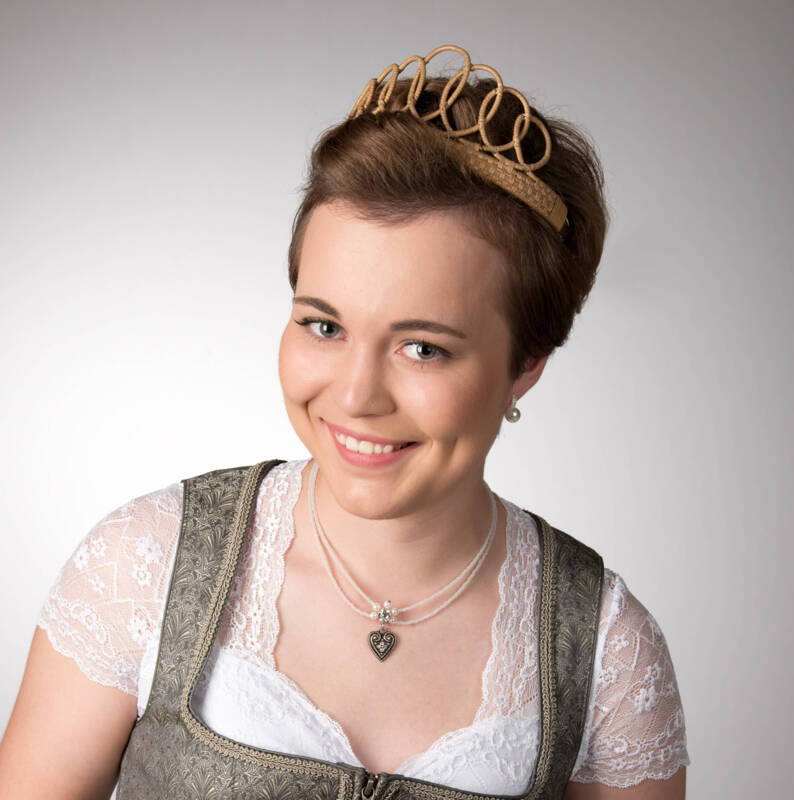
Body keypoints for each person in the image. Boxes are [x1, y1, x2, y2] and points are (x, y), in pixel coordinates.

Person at [0, 45, 689, 799]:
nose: (357, 396)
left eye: (423, 348)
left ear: (524, 366)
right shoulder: (142, 566)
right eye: (324, 326)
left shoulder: (608, 652)